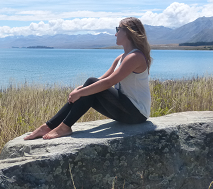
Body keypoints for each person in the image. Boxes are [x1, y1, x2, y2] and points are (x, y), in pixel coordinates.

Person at [24, 17, 152, 140]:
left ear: (128, 32)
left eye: (118, 30)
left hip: (137, 114)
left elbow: (108, 82)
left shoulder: (135, 57)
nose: (115, 34)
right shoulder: (121, 57)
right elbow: (102, 79)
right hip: (125, 111)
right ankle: (49, 126)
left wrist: (80, 92)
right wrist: (81, 89)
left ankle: (64, 127)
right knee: (90, 88)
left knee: (90, 85)